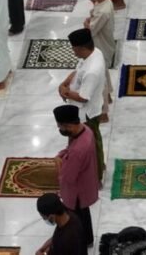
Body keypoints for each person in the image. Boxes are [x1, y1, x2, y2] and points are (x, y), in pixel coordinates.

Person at [58, 28, 107, 180]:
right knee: (90, 143)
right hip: (83, 109)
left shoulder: (93, 70)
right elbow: (78, 70)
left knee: (91, 145)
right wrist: (65, 83)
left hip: (87, 113)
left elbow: (83, 97)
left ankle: (96, 175)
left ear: (82, 48)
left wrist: (64, 92)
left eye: (73, 49)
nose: (73, 51)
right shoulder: (93, 52)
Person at [52, 104, 99, 247]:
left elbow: (68, 177)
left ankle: (80, 241)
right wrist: (61, 155)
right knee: (84, 214)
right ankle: (88, 239)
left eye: (60, 127)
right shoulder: (85, 130)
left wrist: (59, 164)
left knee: (76, 217)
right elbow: (69, 149)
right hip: (86, 183)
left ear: (68, 125)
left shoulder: (78, 150)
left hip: (77, 191)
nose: (60, 130)